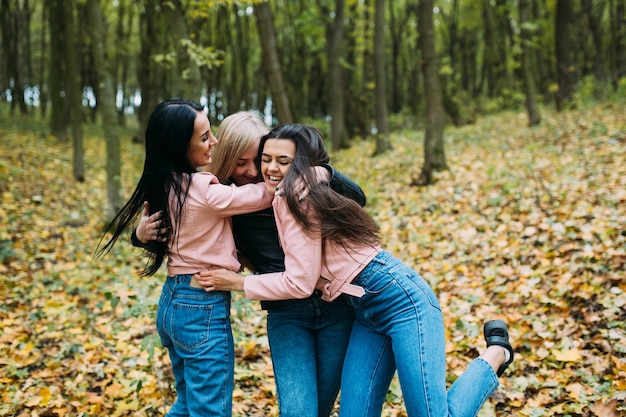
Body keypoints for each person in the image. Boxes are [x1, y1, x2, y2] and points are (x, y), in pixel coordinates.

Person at [195, 123, 515, 417]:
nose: (261, 170)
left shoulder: (293, 195)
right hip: (361, 310)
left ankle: (497, 353)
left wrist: (238, 284)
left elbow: (301, 280)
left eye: (276, 160)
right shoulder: (258, 199)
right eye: (260, 160)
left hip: (398, 298)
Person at [135, 111, 366, 417]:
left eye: (256, 160)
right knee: (297, 411)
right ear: (226, 157)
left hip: (334, 305)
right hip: (288, 313)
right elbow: (178, 227)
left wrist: (322, 172)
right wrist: (140, 236)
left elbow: (357, 198)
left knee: (319, 408)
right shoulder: (223, 198)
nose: (248, 170)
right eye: (239, 162)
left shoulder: (299, 185)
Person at [95, 99, 275, 417]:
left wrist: (138, 236)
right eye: (205, 137)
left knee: (188, 403)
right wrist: (281, 179)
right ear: (181, 145)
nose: (214, 142)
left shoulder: (167, 185)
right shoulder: (203, 188)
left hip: (172, 303)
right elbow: (255, 195)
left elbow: (156, 231)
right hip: (200, 307)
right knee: (210, 411)